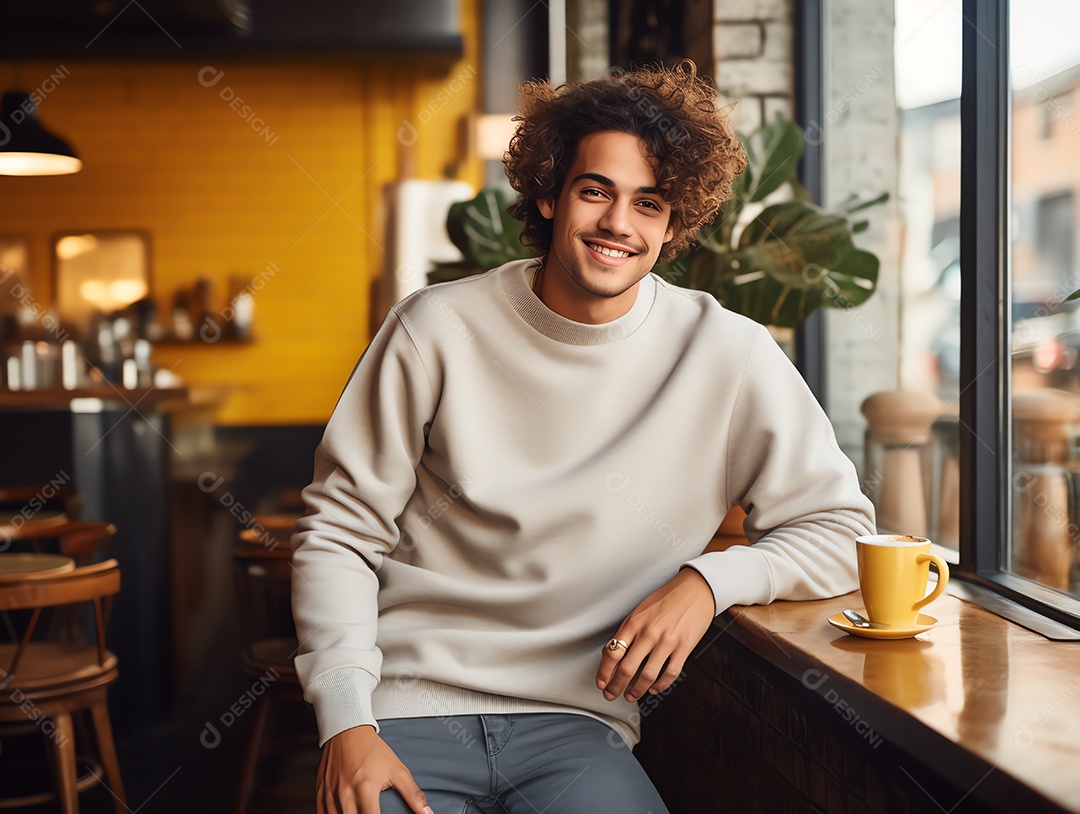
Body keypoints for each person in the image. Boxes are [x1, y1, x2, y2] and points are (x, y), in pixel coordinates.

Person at [291, 60, 875, 814]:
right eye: (595, 190)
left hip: (575, 727)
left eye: (649, 203)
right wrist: (347, 725)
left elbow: (840, 526)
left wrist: (709, 582)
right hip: (403, 709)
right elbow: (338, 532)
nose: (617, 225)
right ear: (549, 192)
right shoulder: (435, 328)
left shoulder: (727, 353)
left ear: (673, 225)